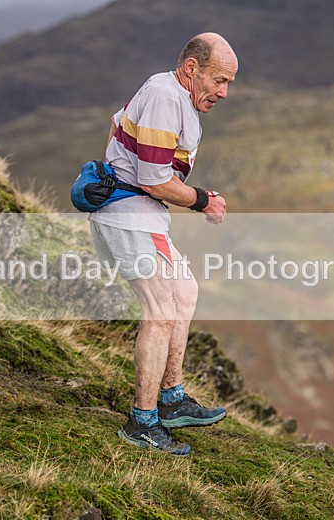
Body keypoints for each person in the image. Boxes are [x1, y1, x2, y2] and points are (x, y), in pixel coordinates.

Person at [89, 33, 238, 455]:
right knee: (160, 310)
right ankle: (143, 421)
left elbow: (116, 121)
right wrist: (204, 200)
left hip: (142, 214)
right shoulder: (164, 95)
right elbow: (155, 180)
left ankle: (170, 399)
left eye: (229, 83)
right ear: (192, 68)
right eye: (219, 80)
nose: (224, 92)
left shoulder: (170, 97)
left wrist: (123, 156)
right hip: (129, 215)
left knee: (185, 291)